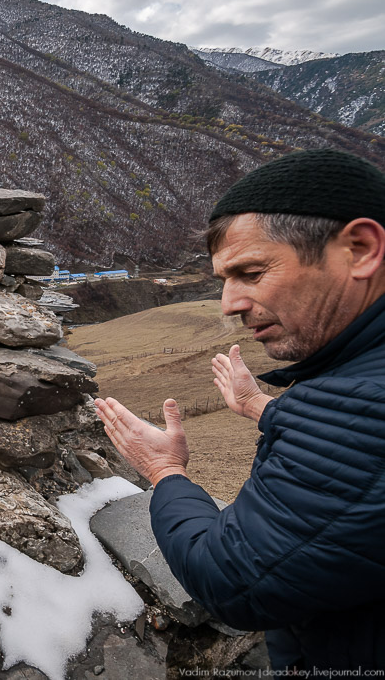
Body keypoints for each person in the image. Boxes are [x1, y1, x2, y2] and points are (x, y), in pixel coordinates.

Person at [94, 148, 385, 673]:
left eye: (250, 272)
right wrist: (262, 409)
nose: (229, 303)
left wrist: (165, 471)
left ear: (360, 249)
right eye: (224, 280)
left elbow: (233, 581)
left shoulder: (361, 404)